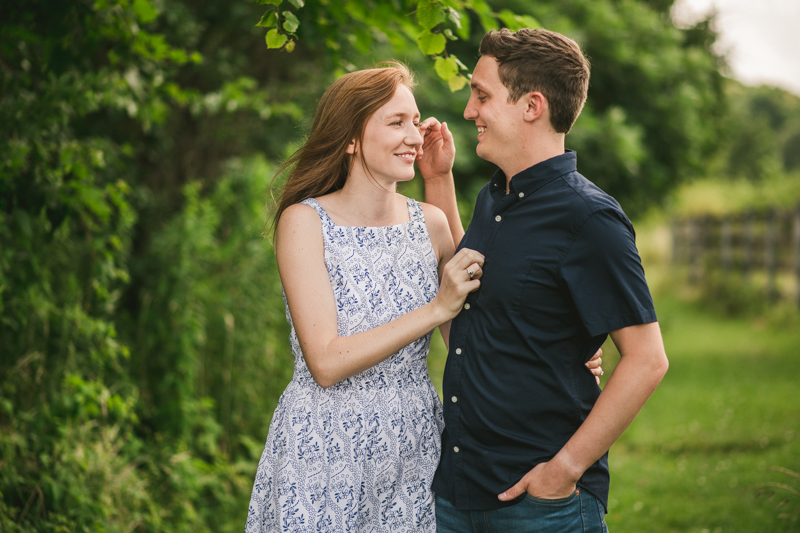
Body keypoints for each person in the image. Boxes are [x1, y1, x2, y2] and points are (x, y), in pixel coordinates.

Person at [243, 62, 604, 532]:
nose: (414, 136)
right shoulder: (305, 222)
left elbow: (472, 328)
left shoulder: (429, 224)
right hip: (323, 440)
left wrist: (564, 351)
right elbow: (326, 363)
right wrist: (435, 308)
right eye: (396, 123)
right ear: (351, 137)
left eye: (415, 121)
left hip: (414, 444)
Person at [417, 28, 669, 532]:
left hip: (541, 507)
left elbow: (647, 359)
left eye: (482, 95)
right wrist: (438, 181)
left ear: (532, 105)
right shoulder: (497, 196)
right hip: (458, 490)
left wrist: (564, 471)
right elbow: (471, 290)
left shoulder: (590, 219)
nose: (469, 112)